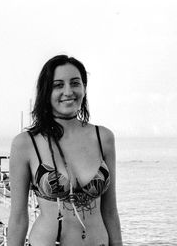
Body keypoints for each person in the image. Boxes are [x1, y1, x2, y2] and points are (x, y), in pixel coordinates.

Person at [8, 55, 123, 246]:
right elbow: (18, 217)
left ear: (84, 88)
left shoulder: (103, 138)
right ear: (46, 91)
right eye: (58, 85)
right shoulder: (25, 144)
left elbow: (110, 210)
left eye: (75, 83)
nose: (68, 91)